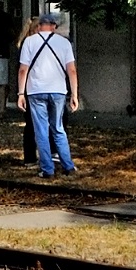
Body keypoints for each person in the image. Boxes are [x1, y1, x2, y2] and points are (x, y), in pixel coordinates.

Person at [16, 14, 80, 177]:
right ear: (53, 26)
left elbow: (23, 70)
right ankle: (68, 166)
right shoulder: (64, 43)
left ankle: (47, 169)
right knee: (58, 129)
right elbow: (71, 70)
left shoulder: (29, 42)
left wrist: (21, 93)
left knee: (41, 131)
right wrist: (74, 94)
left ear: (39, 26)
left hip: (36, 90)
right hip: (58, 90)